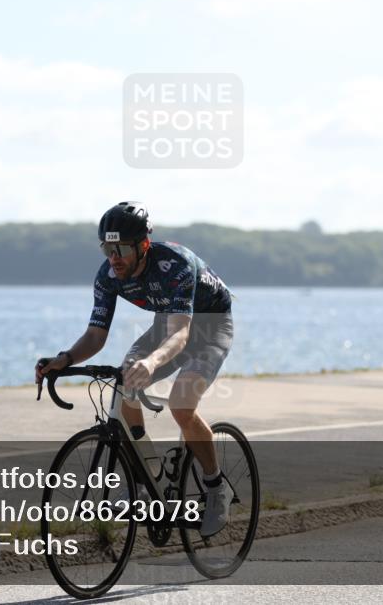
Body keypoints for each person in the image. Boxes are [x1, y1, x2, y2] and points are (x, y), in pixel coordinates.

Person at [35, 201, 234, 536]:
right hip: (169, 323)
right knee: (124, 382)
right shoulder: (109, 275)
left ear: (143, 246)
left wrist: (152, 361)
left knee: (182, 405)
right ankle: (146, 476)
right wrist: (65, 359)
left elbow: (182, 333)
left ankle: (217, 488)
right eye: (107, 248)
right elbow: (96, 335)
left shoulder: (175, 265)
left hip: (210, 325)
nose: (114, 257)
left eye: (122, 249)